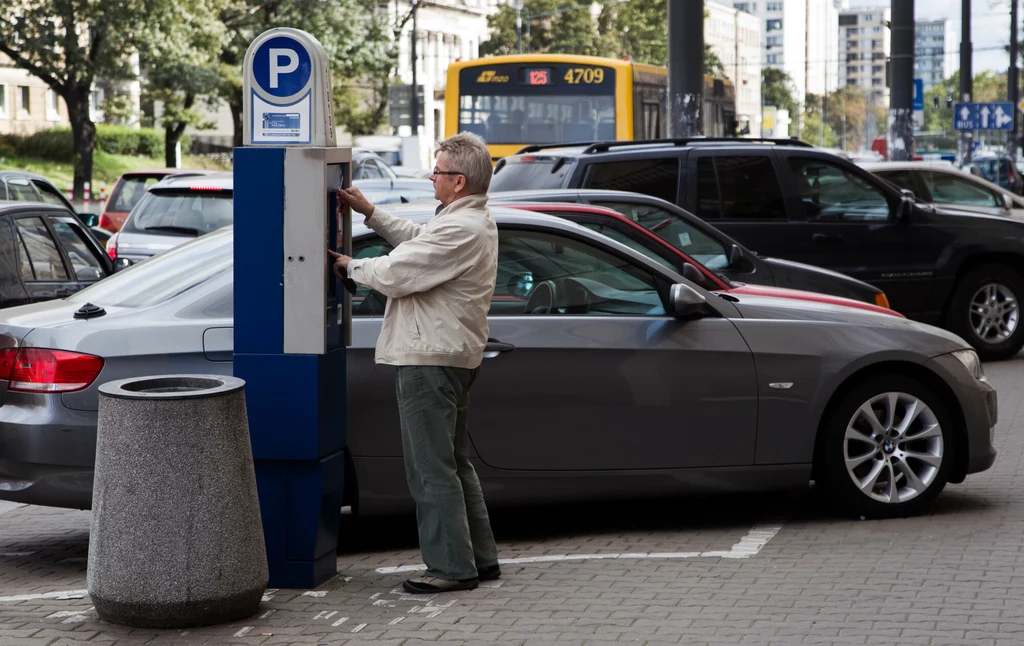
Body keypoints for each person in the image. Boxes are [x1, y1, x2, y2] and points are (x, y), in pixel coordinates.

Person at [332, 132, 500, 594]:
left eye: (438, 170)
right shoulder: (470, 221)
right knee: (454, 462)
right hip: (453, 355)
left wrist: (350, 267)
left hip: (430, 358)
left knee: (430, 467)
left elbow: (396, 272)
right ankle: (480, 558)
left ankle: (449, 568)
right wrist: (370, 212)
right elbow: (419, 240)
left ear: (459, 181)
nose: (431, 176)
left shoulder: (460, 228)